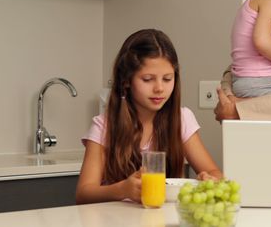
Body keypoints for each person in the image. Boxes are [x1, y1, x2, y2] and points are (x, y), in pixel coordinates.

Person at [76, 29, 223, 204]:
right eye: (147, 79)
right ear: (126, 81)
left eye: (167, 79)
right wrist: (122, 189)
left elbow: (215, 173)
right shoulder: (104, 127)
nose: (159, 88)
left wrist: (210, 179)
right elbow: (84, 194)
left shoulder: (182, 119)